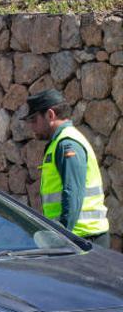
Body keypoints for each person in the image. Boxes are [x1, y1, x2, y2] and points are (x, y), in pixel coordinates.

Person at [24, 89, 110, 247]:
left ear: (50, 115)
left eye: (33, 119)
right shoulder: (61, 142)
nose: (31, 126)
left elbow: (73, 194)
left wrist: (62, 238)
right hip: (78, 237)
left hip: (82, 239)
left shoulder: (67, 144)